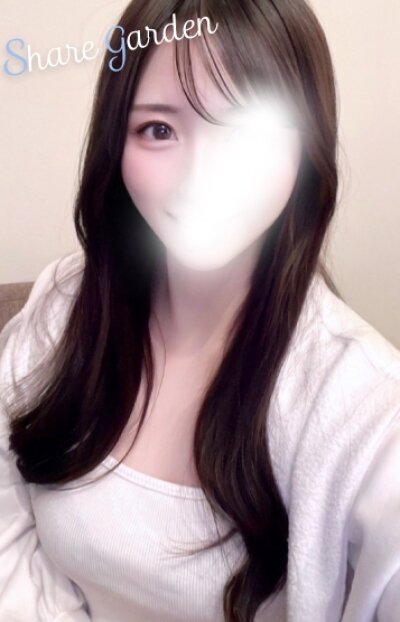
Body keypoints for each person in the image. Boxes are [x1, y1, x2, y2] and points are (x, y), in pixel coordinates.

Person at [1, 1, 399, 621]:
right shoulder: (62, 305)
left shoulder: (367, 413)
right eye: (159, 129)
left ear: (306, 147)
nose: (201, 177)